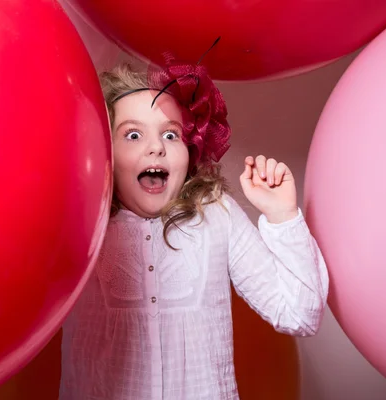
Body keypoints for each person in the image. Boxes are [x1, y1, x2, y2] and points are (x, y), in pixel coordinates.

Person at [59, 53, 329, 399]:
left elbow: (299, 315)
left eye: (171, 135)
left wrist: (282, 215)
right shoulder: (79, 222)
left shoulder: (217, 215)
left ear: (191, 148)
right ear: (104, 150)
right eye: (133, 135)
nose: (156, 147)